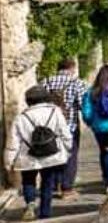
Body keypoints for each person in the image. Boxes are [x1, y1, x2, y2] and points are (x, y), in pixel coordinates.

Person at [4, 86, 72, 220]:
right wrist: (67, 149)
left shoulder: (21, 117)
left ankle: (30, 204)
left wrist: (9, 161)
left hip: (28, 156)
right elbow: (65, 133)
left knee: (28, 181)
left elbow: (13, 142)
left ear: (28, 101)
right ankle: (45, 213)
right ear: (46, 98)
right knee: (47, 182)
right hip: (51, 154)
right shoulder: (55, 111)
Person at [41, 58, 87, 200]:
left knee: (53, 153)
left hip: (49, 126)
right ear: (72, 68)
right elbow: (81, 104)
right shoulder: (77, 83)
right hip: (70, 125)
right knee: (70, 155)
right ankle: (67, 188)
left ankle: (55, 184)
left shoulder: (46, 82)